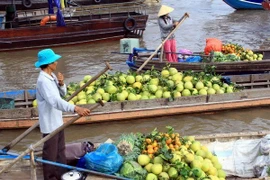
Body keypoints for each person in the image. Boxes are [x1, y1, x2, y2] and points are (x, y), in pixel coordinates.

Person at [34, 48, 91, 180]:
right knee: (50, 154)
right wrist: (75, 108)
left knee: (60, 151)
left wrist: (61, 83)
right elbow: (55, 101)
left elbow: (62, 95)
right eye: (54, 60)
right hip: (49, 124)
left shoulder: (51, 77)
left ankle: (61, 175)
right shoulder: (43, 81)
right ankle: (50, 177)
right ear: (49, 64)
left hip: (57, 121)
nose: (57, 62)